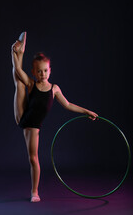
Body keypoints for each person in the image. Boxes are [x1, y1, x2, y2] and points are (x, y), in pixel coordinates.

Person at [11, 32, 98, 202]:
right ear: (34, 72)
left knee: (33, 158)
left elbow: (68, 105)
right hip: (23, 117)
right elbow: (18, 71)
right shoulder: (32, 84)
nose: (42, 74)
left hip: (33, 125)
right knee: (17, 78)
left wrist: (87, 111)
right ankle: (16, 51)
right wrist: (12, 52)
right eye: (39, 71)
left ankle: (34, 192)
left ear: (50, 70)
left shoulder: (54, 89)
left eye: (45, 70)